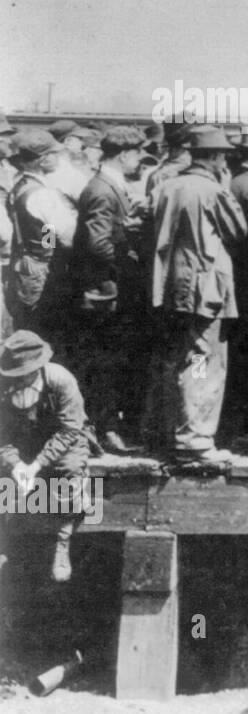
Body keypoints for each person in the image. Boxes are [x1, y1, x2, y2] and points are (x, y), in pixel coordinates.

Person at [148, 127, 246, 465]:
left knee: (177, 357)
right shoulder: (214, 191)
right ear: (217, 157)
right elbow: (238, 231)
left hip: (170, 285)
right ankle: (194, 440)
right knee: (202, 360)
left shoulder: (165, 186)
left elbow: (142, 226)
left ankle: (172, 431)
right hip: (206, 288)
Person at [71, 125, 148, 452]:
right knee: (105, 365)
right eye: (137, 154)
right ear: (124, 154)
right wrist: (128, 249)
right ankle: (104, 431)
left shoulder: (109, 185)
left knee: (107, 363)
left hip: (108, 291)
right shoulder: (103, 189)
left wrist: (125, 226)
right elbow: (97, 244)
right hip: (104, 293)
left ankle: (103, 429)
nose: (140, 161)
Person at [0, 330, 89, 581]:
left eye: (22, 374)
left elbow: (71, 429)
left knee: (71, 470)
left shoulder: (61, 380)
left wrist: (37, 464)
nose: (16, 380)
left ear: (36, 368)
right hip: (19, 441)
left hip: (61, 440)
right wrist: (15, 464)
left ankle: (63, 541)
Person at [5, 130, 77, 341]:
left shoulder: (20, 185)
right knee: (41, 327)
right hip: (41, 266)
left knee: (27, 322)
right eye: (54, 154)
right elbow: (68, 237)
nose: (58, 158)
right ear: (43, 160)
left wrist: (47, 241)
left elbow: (44, 230)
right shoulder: (42, 194)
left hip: (24, 261)